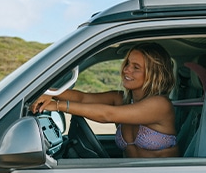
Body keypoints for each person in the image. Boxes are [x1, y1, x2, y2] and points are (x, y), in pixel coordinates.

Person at [30, 42, 179, 158]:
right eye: (127, 63)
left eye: (136, 67)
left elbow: (108, 114)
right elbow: (83, 97)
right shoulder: (121, 99)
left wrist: (57, 106)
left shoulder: (160, 105)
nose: (127, 70)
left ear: (153, 73)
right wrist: (50, 92)